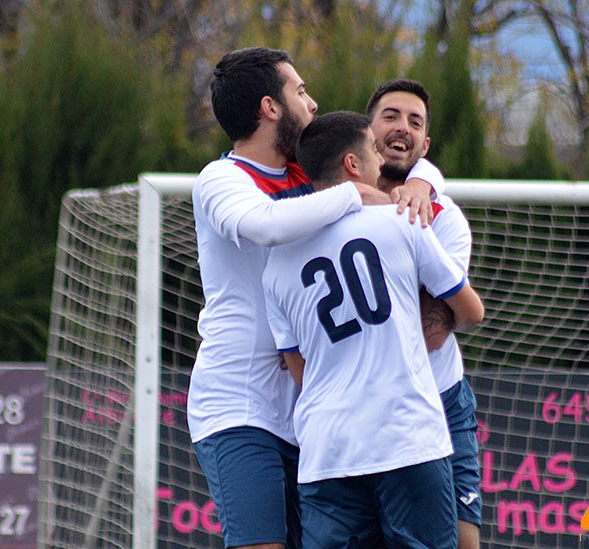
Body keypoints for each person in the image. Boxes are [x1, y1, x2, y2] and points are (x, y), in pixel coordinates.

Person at [187, 47, 446, 549]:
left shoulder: (308, 171)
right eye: (300, 92)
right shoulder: (221, 179)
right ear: (270, 108)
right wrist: (353, 195)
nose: (313, 102)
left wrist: (418, 180)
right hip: (240, 404)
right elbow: (263, 225)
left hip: (311, 408)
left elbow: (388, 154)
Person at [262, 110, 485, 548]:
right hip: (407, 438)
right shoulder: (401, 221)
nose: (381, 163)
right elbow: (471, 311)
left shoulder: (277, 263)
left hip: (329, 452)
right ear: (352, 164)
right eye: (372, 152)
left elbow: (299, 371)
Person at [367, 78, 483, 549]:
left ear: (426, 144)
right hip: (367, 408)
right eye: (390, 116)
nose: (403, 128)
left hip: (441, 398)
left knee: (462, 538)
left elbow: (434, 328)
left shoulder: (446, 219)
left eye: (415, 122)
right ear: (366, 129)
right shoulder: (331, 209)